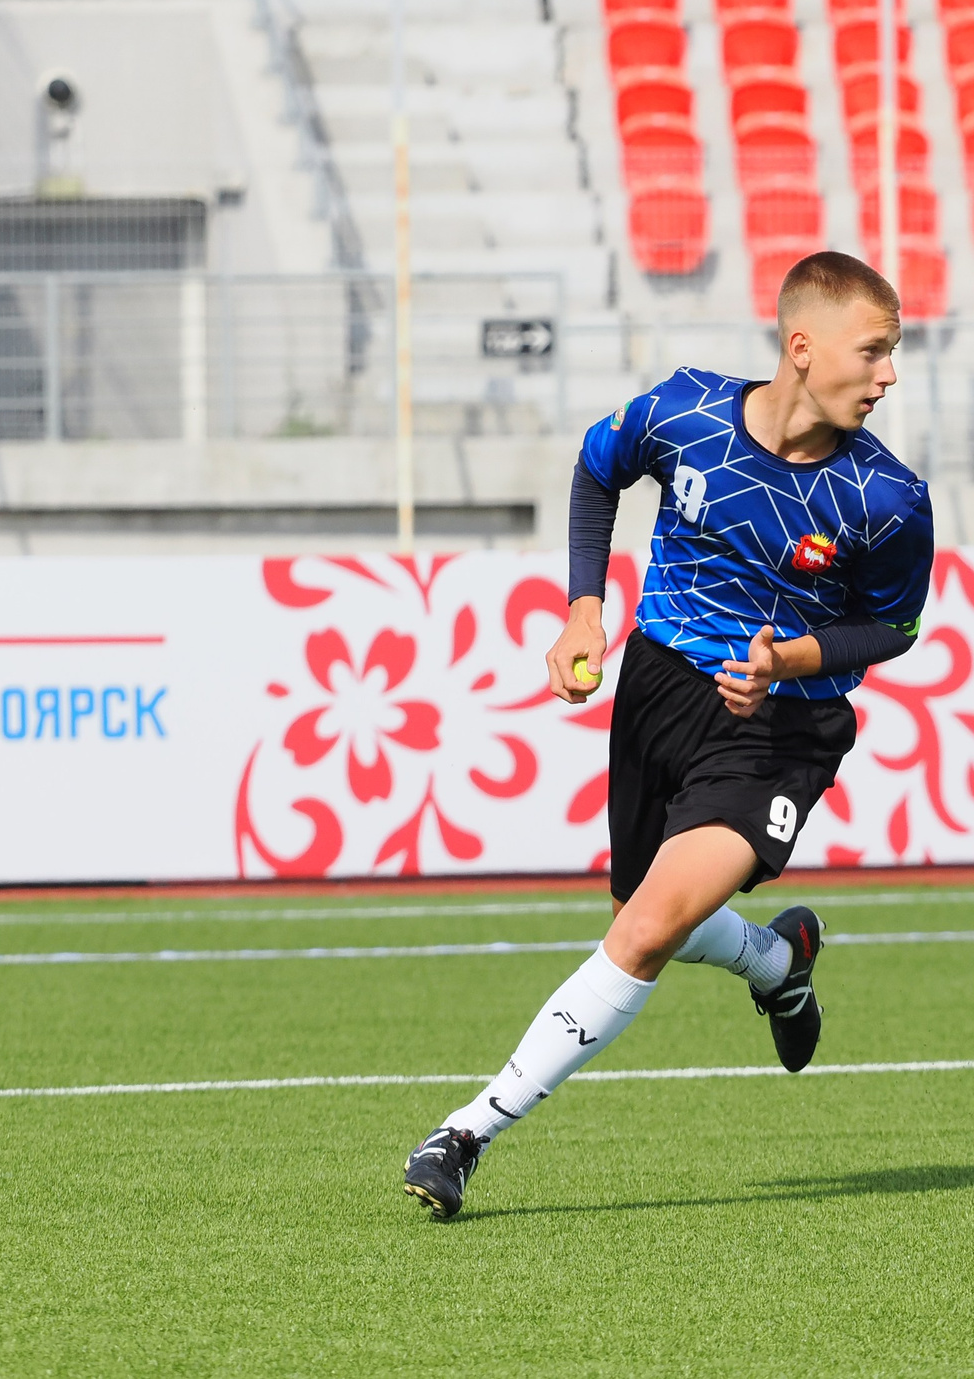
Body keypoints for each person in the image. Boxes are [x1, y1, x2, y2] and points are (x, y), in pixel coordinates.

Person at [402, 251, 935, 1220]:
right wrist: (583, 610)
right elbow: (596, 467)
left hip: (780, 726)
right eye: (873, 351)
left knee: (643, 931)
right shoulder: (686, 411)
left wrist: (790, 660)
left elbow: (893, 625)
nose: (889, 374)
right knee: (643, 910)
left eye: (892, 353)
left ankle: (465, 1134)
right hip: (657, 689)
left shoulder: (887, 498)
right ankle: (779, 963)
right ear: (802, 347)